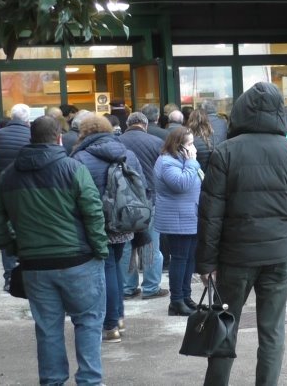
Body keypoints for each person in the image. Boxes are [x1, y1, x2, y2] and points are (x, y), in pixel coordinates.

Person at [196, 82, 287, 385]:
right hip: (278, 258)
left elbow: (210, 215)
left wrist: (206, 263)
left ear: (240, 112)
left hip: (234, 258)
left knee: (225, 326)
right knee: (273, 331)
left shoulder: (225, 153)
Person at [0, 115, 109, 385]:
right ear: (59, 138)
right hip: (80, 261)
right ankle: (90, 381)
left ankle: (53, 381)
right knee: (88, 321)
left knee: (48, 328)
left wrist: (14, 246)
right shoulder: (73, 169)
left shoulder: (10, 175)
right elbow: (93, 213)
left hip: (35, 265)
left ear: (31, 137)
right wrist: (100, 250)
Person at [72, 114, 145, 343]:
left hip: (96, 221)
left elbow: (75, 194)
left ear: (84, 132)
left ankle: (110, 324)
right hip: (124, 219)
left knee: (105, 269)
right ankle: (119, 318)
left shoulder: (81, 157)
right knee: (115, 265)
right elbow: (142, 186)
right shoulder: (128, 154)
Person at [118, 112, 168, 300]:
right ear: (145, 125)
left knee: (126, 246)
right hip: (150, 200)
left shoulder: (118, 142)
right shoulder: (156, 142)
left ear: (127, 124)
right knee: (150, 245)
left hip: (123, 202)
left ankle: (127, 287)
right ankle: (151, 287)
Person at [153, 127, 202, 316]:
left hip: (190, 217)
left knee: (189, 259)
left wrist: (191, 163)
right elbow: (181, 184)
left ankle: (186, 296)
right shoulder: (166, 162)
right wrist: (192, 162)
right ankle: (176, 301)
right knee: (180, 259)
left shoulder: (183, 161)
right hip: (177, 220)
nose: (193, 148)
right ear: (178, 146)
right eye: (189, 144)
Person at [0, 104, 31, 290]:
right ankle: (26, 271)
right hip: (25, 190)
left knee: (8, 230)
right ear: (27, 119)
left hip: (2, 188)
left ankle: (8, 276)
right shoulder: (31, 135)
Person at [186, 108, 216, 173]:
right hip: (209, 176)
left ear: (191, 121)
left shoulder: (189, 140)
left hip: (195, 174)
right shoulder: (213, 138)